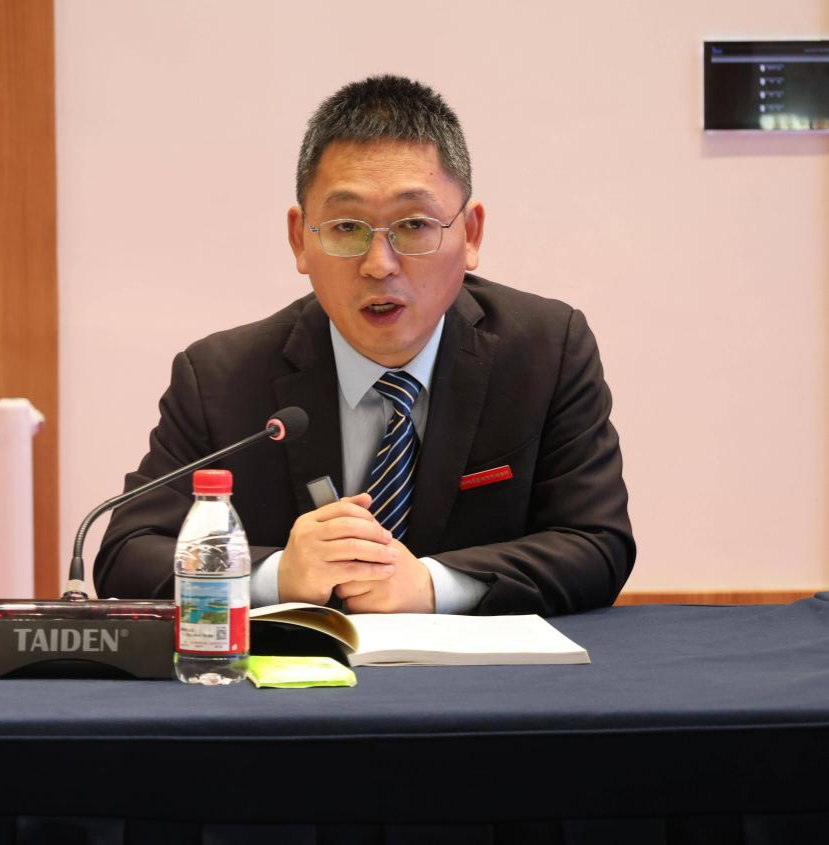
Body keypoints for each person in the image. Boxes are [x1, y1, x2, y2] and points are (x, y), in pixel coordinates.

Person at [92, 75, 635, 616]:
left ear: (470, 234)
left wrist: (433, 585)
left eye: (415, 224)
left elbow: (596, 542)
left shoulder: (545, 350)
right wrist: (276, 576)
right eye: (347, 227)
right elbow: (128, 553)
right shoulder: (221, 377)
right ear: (299, 239)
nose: (379, 265)